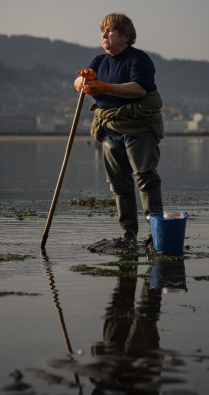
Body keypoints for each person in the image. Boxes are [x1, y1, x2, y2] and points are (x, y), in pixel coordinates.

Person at [74, 13, 164, 246]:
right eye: (103, 32)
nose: (104, 35)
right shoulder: (98, 61)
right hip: (110, 131)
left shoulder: (138, 59)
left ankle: (155, 233)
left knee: (145, 179)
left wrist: (107, 87)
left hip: (138, 129)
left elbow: (138, 90)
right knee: (119, 185)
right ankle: (129, 234)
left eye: (110, 31)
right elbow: (78, 86)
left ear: (125, 35)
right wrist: (84, 80)